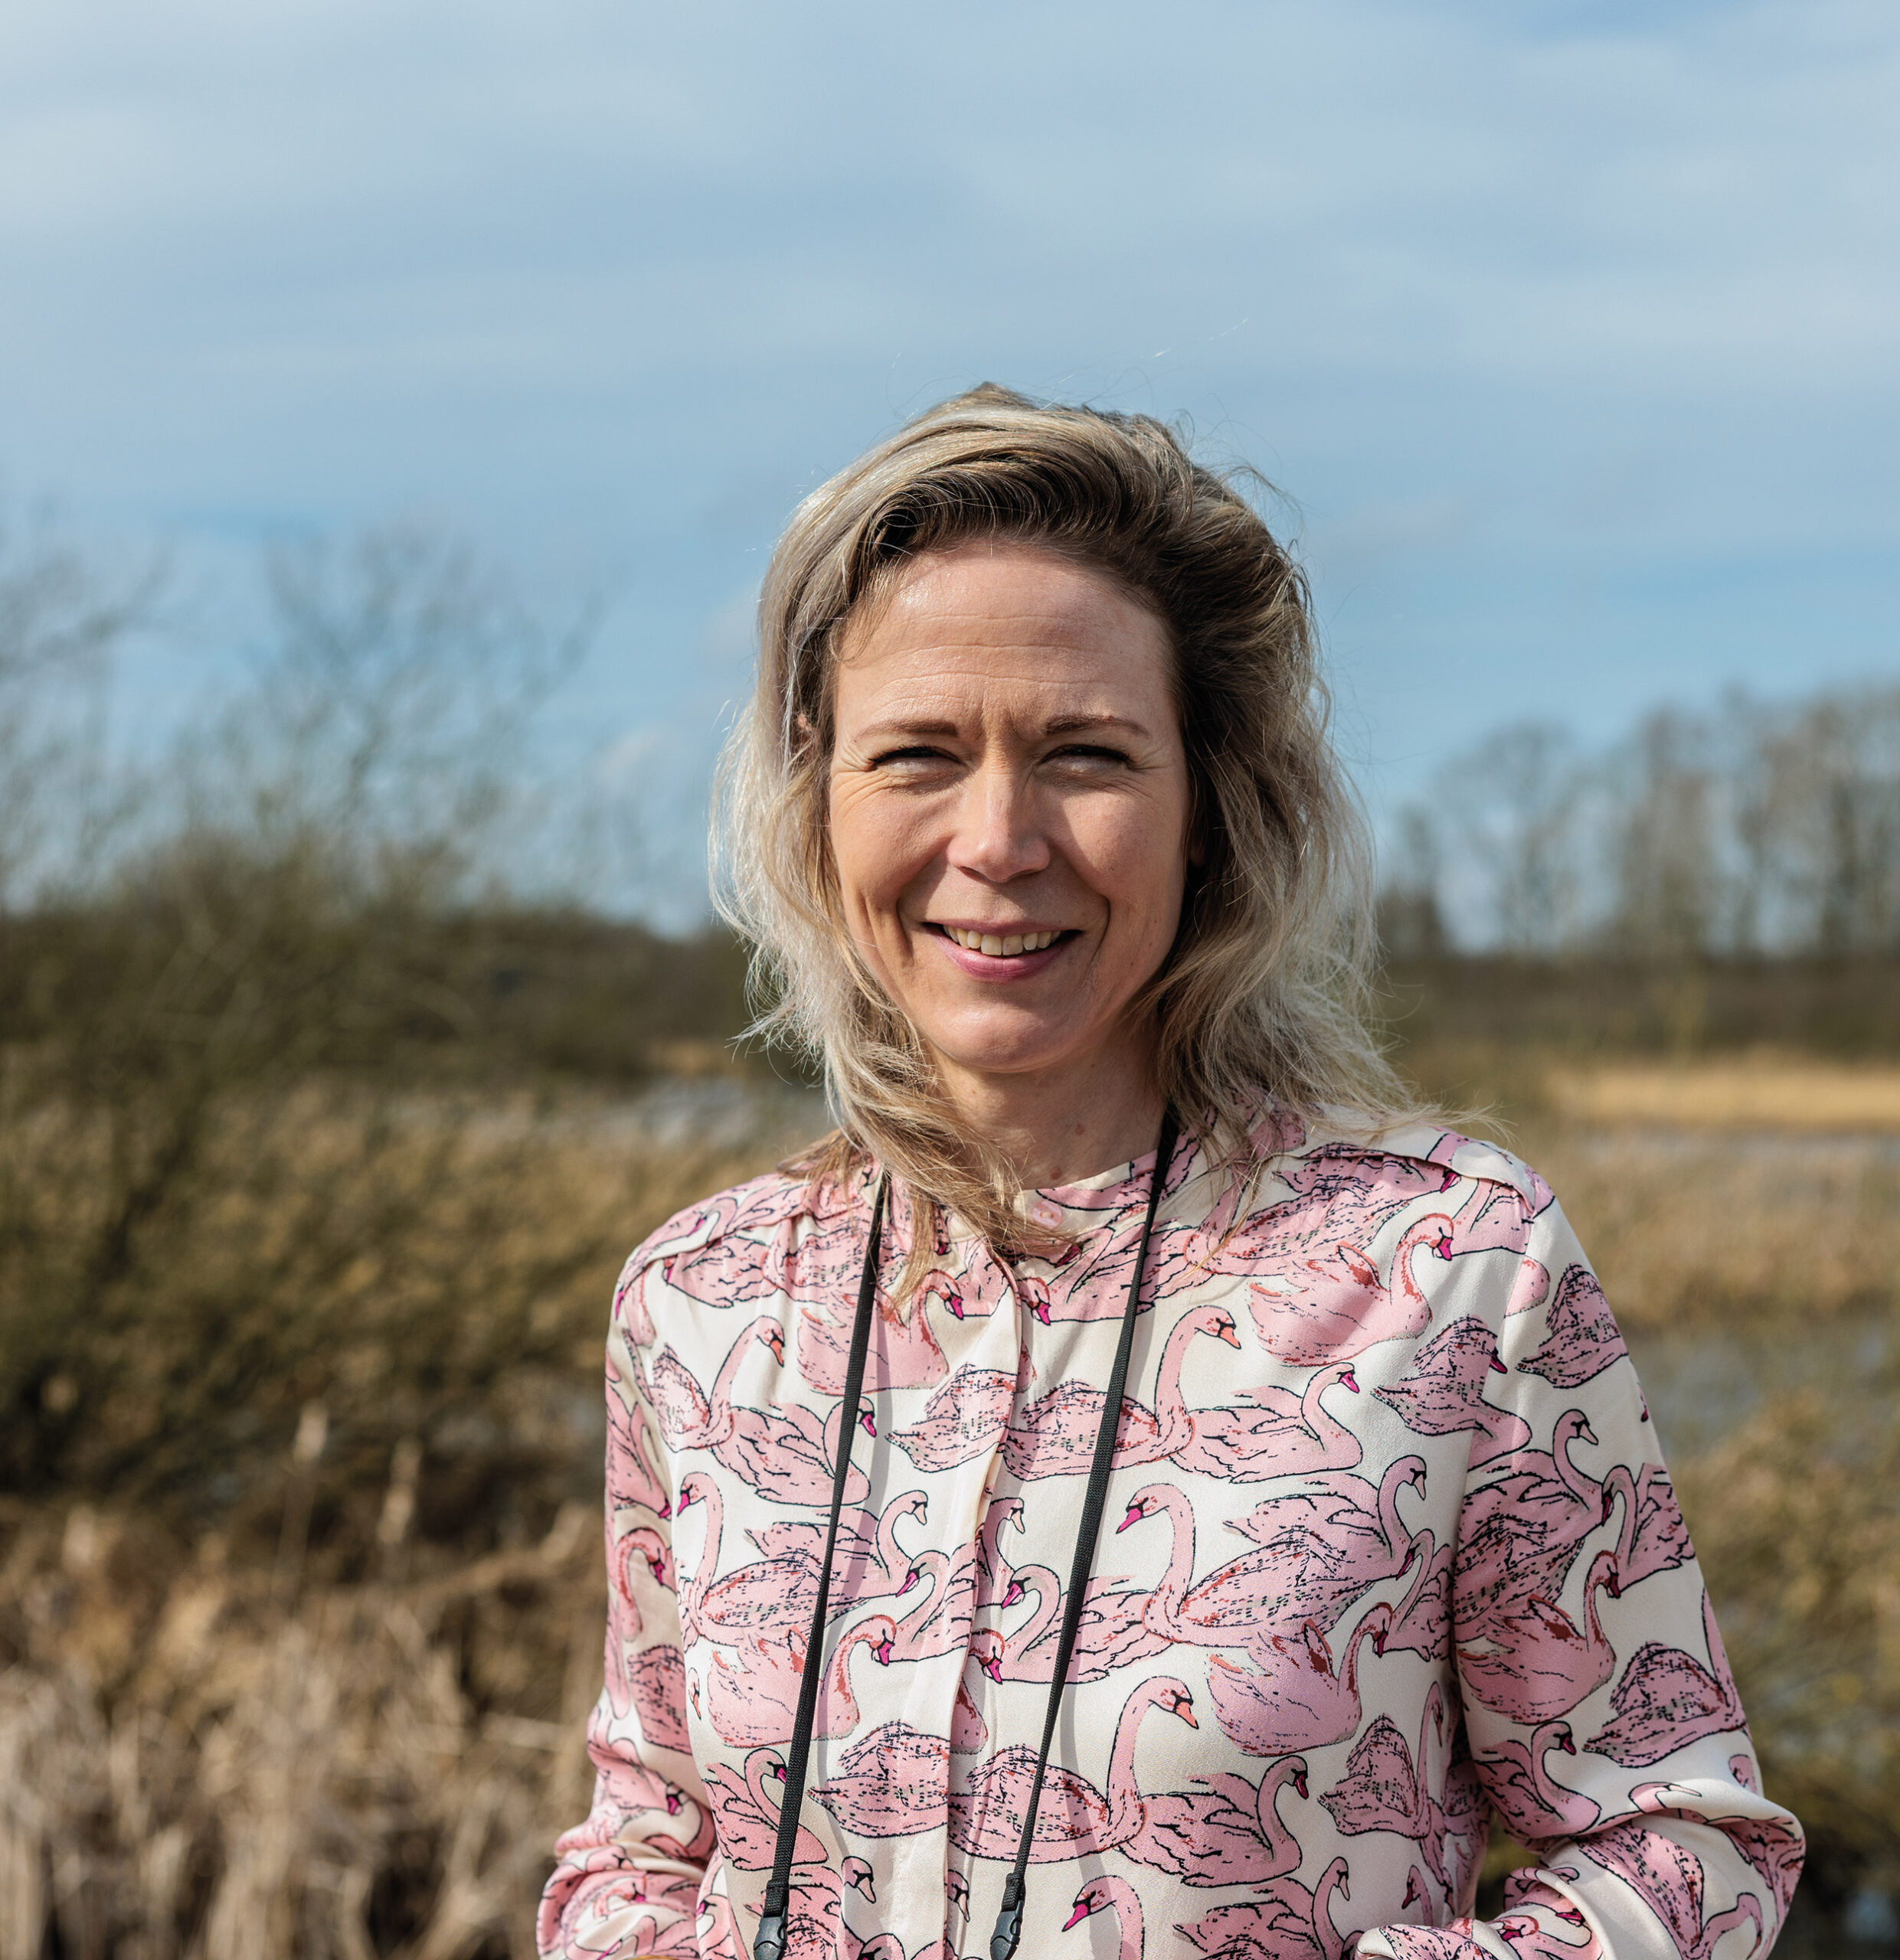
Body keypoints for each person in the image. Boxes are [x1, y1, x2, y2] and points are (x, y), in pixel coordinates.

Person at [538, 387, 1803, 1960]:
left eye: (1084, 753)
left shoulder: (1446, 1267)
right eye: (916, 753)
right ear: (818, 801)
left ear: (1206, 807)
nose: (997, 838)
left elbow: (1681, 1841)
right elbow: (641, 1843)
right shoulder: (699, 1305)